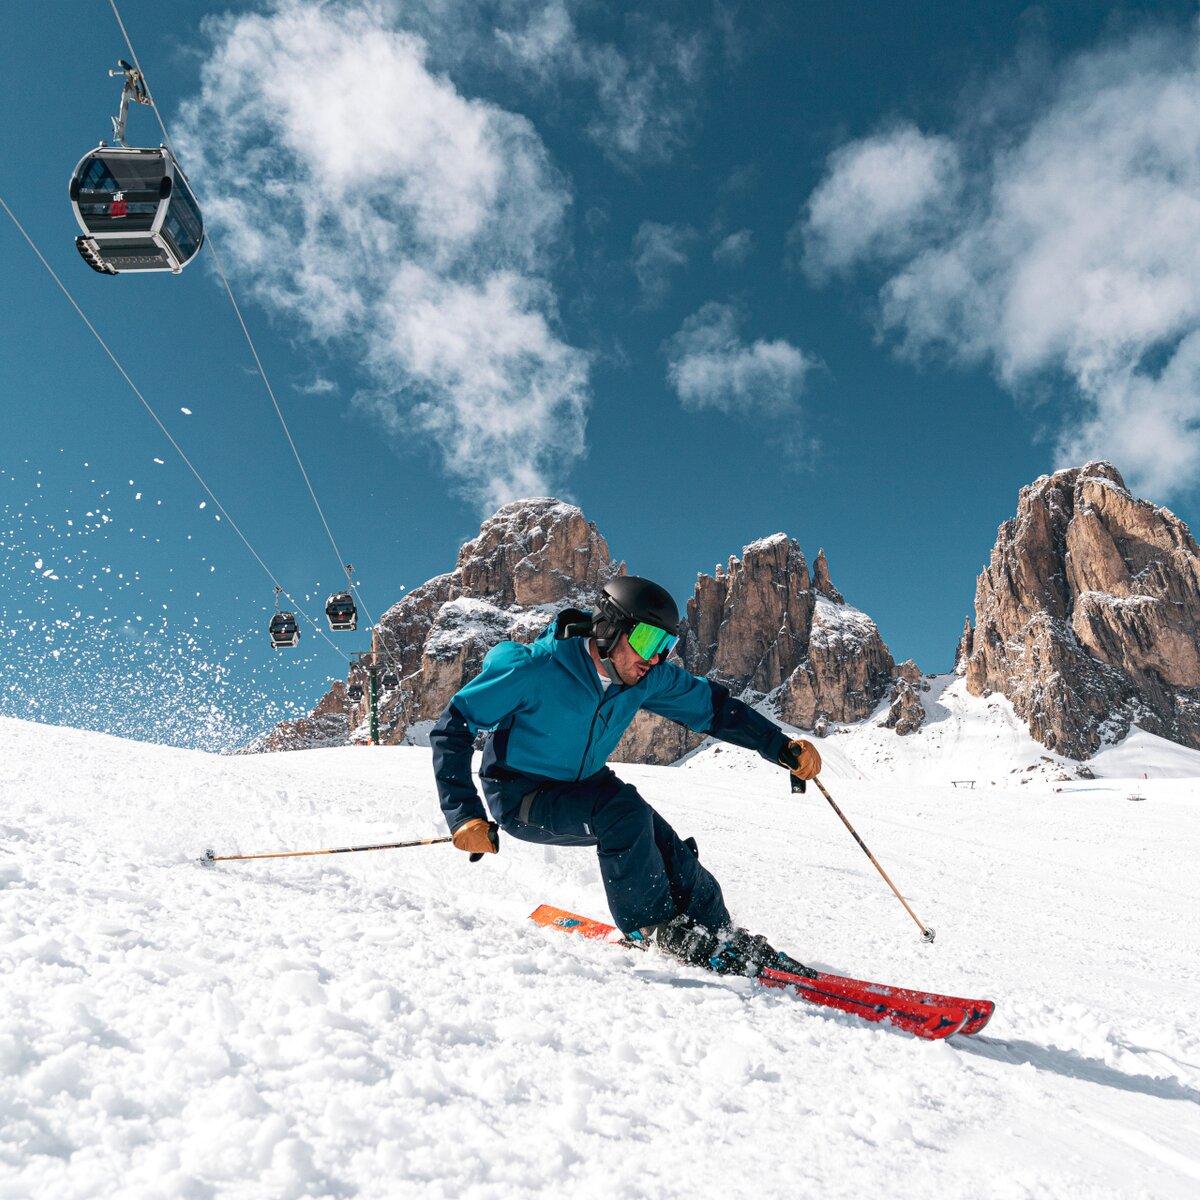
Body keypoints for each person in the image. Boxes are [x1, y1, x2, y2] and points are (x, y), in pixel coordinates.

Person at [430, 576, 823, 976]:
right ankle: (652, 928)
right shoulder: (534, 668)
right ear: (609, 628)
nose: (655, 659)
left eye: (665, 647)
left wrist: (778, 746)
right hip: (521, 793)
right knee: (623, 813)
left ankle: (717, 932)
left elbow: (714, 708)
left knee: (662, 841)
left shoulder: (644, 677)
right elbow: (454, 725)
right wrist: (464, 814)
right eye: (649, 641)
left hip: (586, 784)